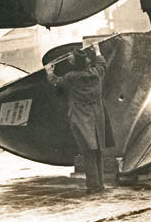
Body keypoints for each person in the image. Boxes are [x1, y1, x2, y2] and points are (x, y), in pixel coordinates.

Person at [45, 43, 115, 194]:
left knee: (88, 153)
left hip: (81, 119)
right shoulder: (96, 73)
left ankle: (93, 187)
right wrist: (97, 50)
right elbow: (102, 64)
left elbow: (55, 82)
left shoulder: (72, 78)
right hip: (97, 118)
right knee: (97, 153)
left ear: (74, 64)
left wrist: (49, 72)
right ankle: (100, 185)